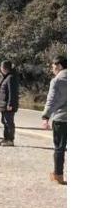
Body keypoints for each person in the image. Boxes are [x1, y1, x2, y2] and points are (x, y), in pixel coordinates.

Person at [41, 56, 67, 184]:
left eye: (53, 67)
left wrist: (46, 117)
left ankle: (58, 175)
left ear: (59, 66)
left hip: (61, 119)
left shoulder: (57, 80)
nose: (52, 69)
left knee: (60, 148)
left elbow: (51, 100)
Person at [0, 61, 19, 146]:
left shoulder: (11, 77)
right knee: (4, 122)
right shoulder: (6, 77)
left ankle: (10, 140)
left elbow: (12, 92)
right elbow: (2, 91)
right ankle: (6, 138)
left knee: (9, 122)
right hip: (3, 104)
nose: (0, 69)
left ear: (5, 68)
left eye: (1, 67)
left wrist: (10, 104)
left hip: (8, 105)